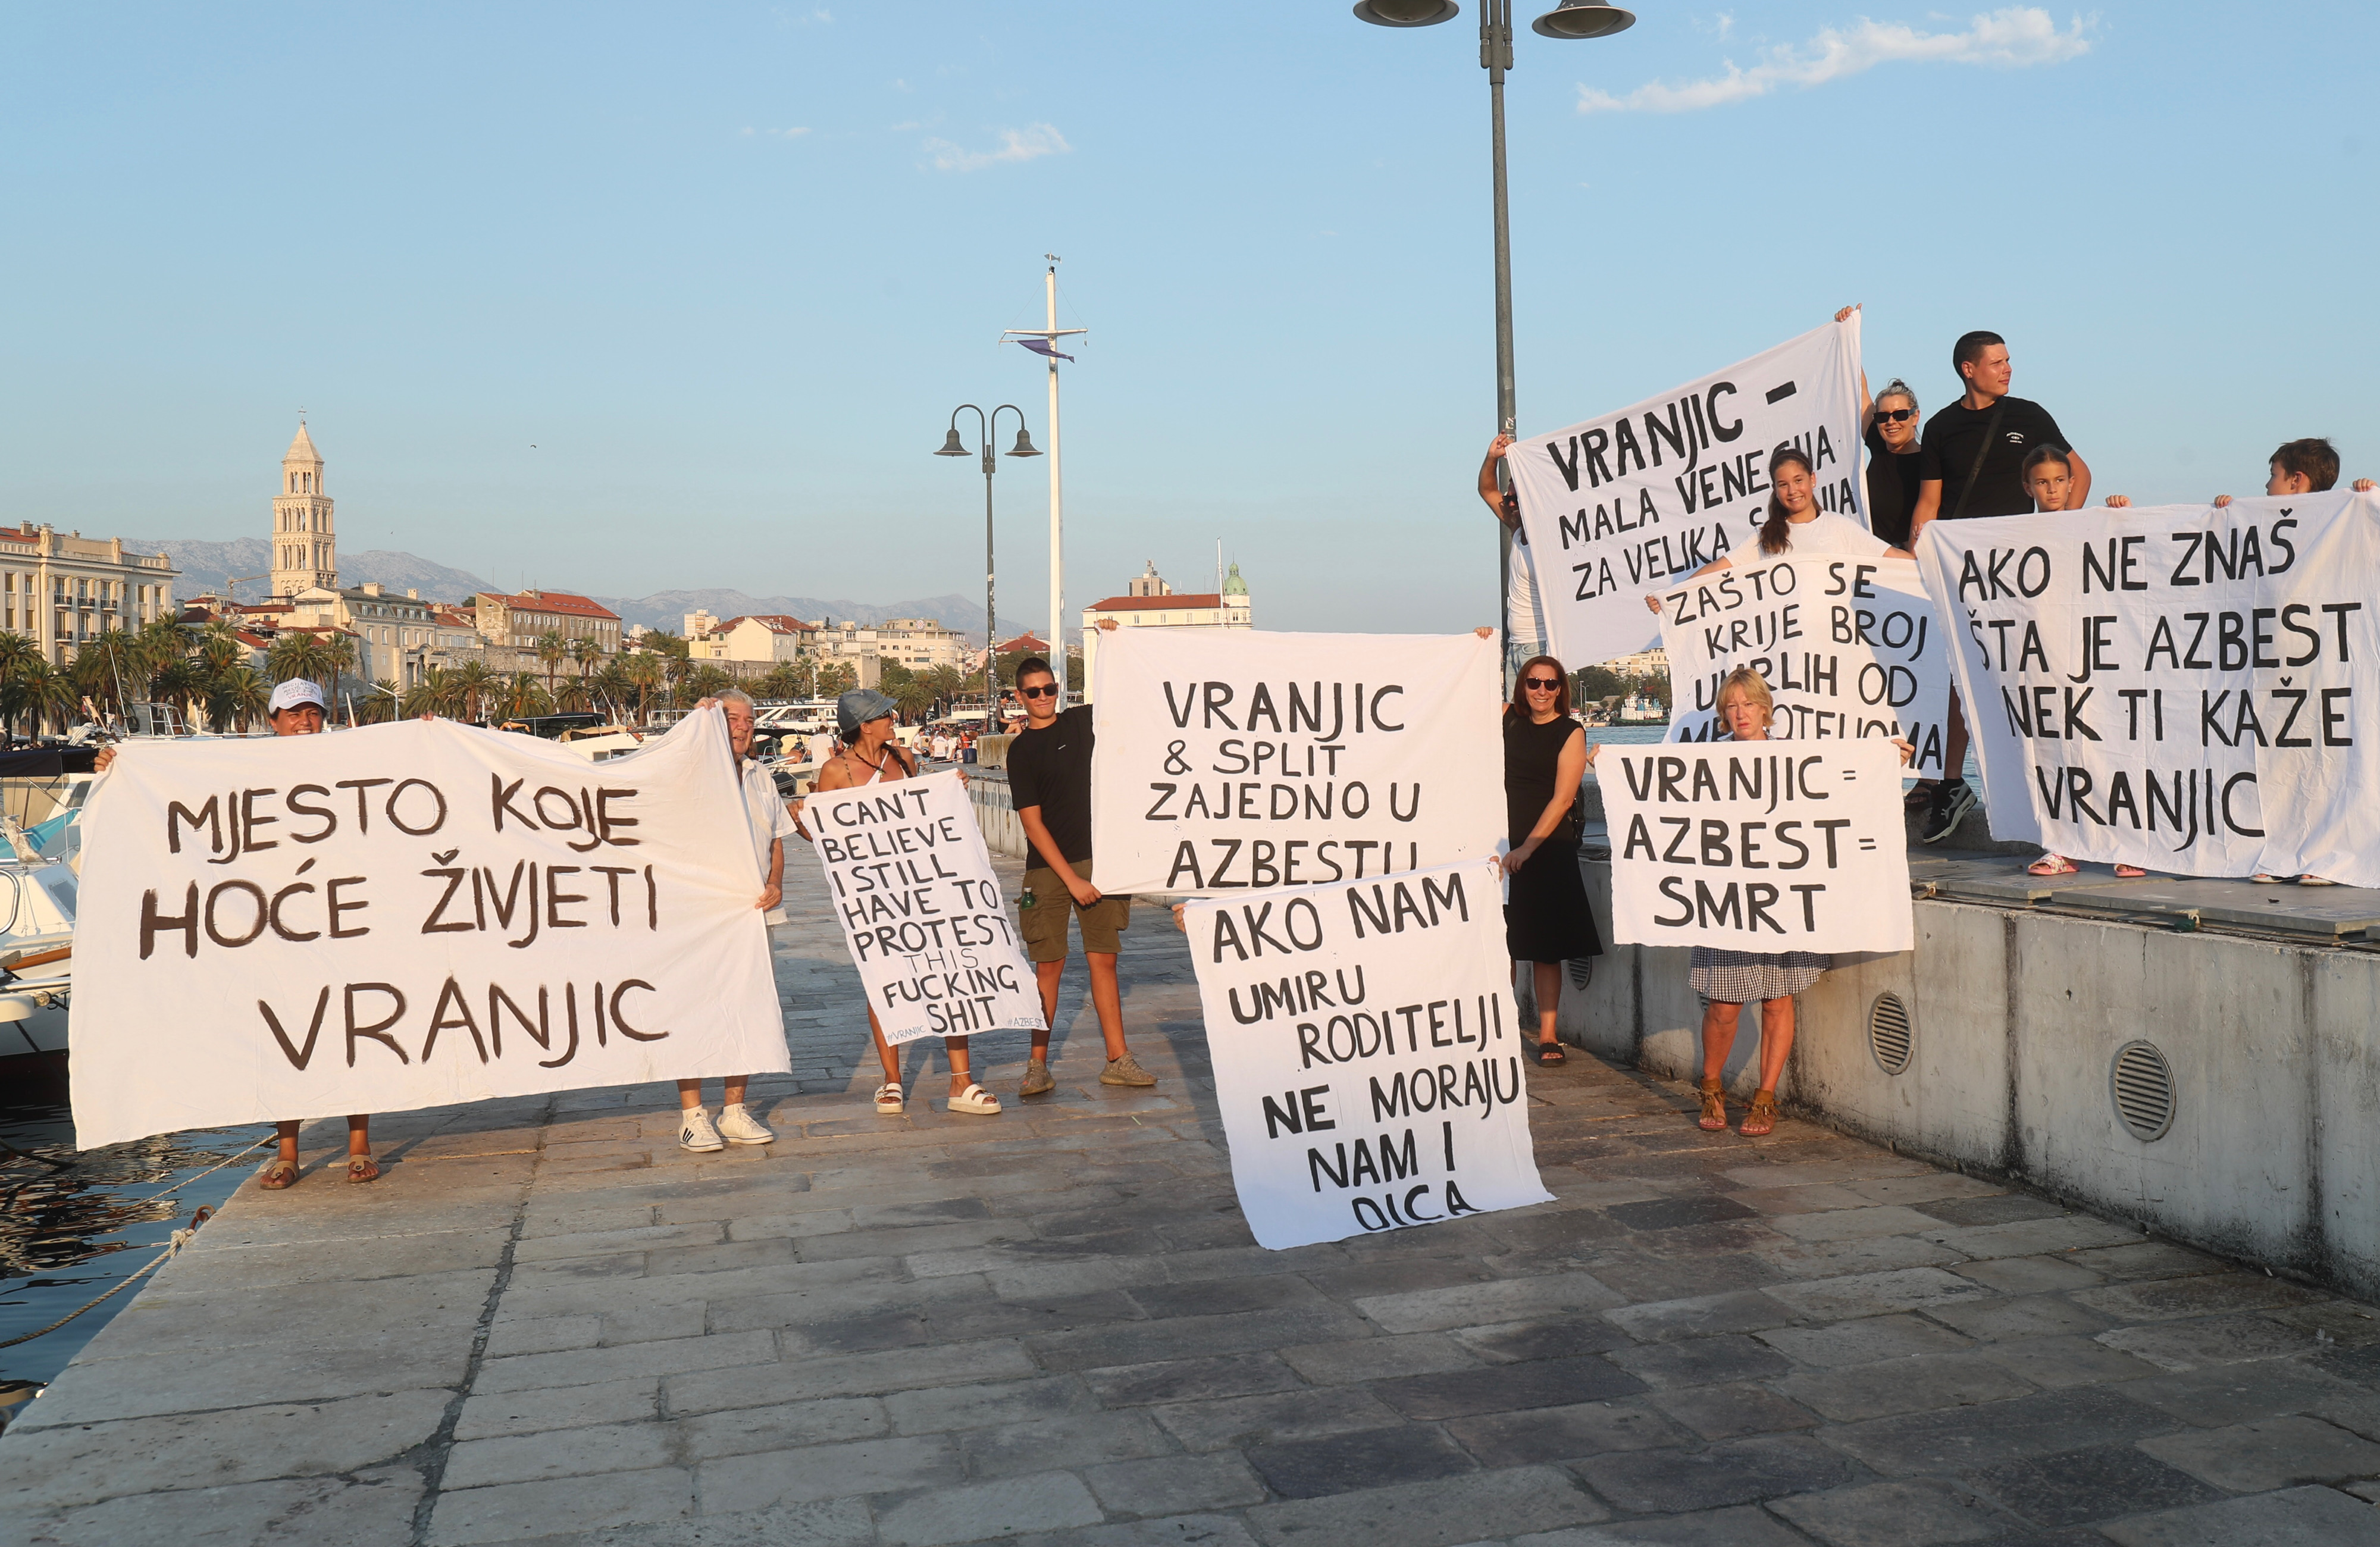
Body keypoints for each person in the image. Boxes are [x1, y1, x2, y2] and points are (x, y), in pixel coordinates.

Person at [1594, 668, 1906, 1136]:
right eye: (1731, 706)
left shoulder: (1795, 759)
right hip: (1729, 903)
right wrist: (1615, 771)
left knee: (1779, 1002)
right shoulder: (1706, 762)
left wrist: (1885, 762)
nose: (1740, 713)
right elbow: (1665, 804)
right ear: (1723, 714)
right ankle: (1713, 1087)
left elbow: (1842, 793)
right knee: (1723, 1006)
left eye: (1748, 704)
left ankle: (1765, 1098)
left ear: (1766, 709)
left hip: (1780, 901)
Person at [96, 679, 382, 1186]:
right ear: (272, 721)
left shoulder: (351, 759)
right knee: (283, 1038)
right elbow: (175, 791)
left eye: (313, 712)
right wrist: (118, 769)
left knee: (348, 1031)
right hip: (272, 927)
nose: (305, 722)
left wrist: (431, 745)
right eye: (294, 714)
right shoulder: (242, 769)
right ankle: (288, 1152)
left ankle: (359, 1145)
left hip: (342, 922)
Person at [2108, 440, 2374, 885]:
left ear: (2297, 480)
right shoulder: (2261, 524)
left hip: (2322, 669)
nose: (2266, 486)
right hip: (2273, 671)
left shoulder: (2343, 518)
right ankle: (2280, 854)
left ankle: (2327, 857)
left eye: (2273, 475)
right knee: (2277, 768)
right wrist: (2225, 520)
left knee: (2324, 765)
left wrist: (2366, 498)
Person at [1906, 331, 2090, 845]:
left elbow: (2080, 473)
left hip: (2017, 569)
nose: (2008, 369)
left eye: (2009, 360)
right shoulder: (1942, 426)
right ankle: (1951, 783)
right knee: (1957, 675)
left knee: (2023, 673)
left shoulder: (2029, 415)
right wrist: (1915, 559)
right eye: (1997, 362)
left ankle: (2042, 787)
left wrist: (2055, 534)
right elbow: (1929, 504)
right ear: (1969, 369)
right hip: (1963, 569)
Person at [802, 688, 1002, 1116]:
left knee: (952, 971)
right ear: (864, 725)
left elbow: (927, 814)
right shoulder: (835, 771)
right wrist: (805, 820)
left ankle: (961, 1081)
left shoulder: (905, 760)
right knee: (885, 979)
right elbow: (827, 835)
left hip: (927, 884)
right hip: (878, 892)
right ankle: (892, 1082)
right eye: (884, 715)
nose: (893, 719)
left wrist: (951, 788)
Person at [1007, 639, 1157, 1095]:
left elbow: (1129, 689)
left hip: (1102, 860)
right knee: (1048, 968)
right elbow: (1032, 824)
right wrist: (1071, 880)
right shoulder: (1021, 752)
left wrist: (1115, 638)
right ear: (1019, 697)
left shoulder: (1083, 722)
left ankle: (1118, 1058)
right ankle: (1037, 1065)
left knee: (1104, 963)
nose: (1044, 697)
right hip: (1049, 870)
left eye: (1049, 688)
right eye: (1033, 692)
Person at [2021, 449, 2147, 882]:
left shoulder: (2094, 524)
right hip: (2046, 662)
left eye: (2059, 480)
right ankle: (2060, 847)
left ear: (2072, 483)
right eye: (2042, 482)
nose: (2052, 489)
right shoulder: (2014, 532)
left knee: (2110, 751)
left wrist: (2123, 519)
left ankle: (2127, 843)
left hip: (2097, 659)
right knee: (2055, 754)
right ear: (2028, 488)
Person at [675, 690, 790, 1152]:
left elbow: (777, 839)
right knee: (693, 1011)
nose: (743, 726)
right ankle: (692, 1115)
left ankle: (735, 1110)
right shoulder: (688, 772)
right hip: (699, 917)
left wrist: (776, 881)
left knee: (748, 1007)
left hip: (755, 913)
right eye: (732, 718)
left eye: (749, 719)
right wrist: (693, 722)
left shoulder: (762, 776)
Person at [1645, 443, 1911, 611]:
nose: (1793, 490)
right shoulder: (1765, 535)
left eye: (1799, 481)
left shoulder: (1840, 527)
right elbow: (1718, 570)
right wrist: (1672, 596)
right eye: (1783, 484)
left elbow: (1894, 560)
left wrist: (1937, 561)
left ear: (1813, 480)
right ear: (1775, 488)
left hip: (1836, 647)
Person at [1502, 655, 1603, 1065]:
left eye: (1550, 683)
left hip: (1547, 848)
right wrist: (1480, 644)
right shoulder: (1506, 719)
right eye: (1533, 682)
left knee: (1546, 949)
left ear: (1561, 689)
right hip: (1501, 845)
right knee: (1500, 943)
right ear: (1522, 686)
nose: (1541, 690)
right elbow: (1456, 698)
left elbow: (1563, 799)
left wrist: (1527, 848)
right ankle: (1501, 1027)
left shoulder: (1571, 732)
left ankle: (1548, 1036)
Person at [1835, 305, 1924, 549]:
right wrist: (1846, 335)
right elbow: (1858, 387)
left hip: (1914, 563)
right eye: (1883, 416)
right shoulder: (1878, 443)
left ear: (1915, 417)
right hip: (1873, 562)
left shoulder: (1932, 462)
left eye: (1900, 414)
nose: (1891, 422)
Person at [1479, 433, 1548, 681]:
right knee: (1512, 719)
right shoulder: (1517, 530)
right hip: (1515, 648)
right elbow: (1487, 490)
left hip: (1541, 647)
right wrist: (1491, 458)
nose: (1509, 505)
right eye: (1508, 499)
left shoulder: (1548, 540)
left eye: (1515, 500)